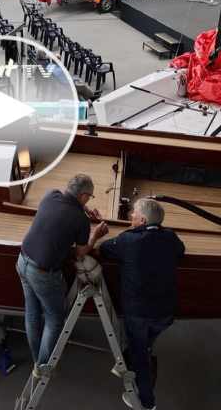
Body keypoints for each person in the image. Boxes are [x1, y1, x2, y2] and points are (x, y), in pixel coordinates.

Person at [98, 198, 185, 410]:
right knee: (143, 345)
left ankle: (147, 403)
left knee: (140, 356)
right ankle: (137, 356)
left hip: (139, 313)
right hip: (165, 314)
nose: (130, 216)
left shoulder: (129, 241)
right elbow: (180, 251)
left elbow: (104, 249)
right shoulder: (170, 237)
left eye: (134, 214)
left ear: (143, 220)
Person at [17, 174, 109, 374]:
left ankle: (37, 360)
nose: (89, 201)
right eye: (89, 197)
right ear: (84, 195)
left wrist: (84, 209)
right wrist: (95, 235)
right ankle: (41, 366)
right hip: (42, 273)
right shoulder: (80, 221)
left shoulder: (51, 195)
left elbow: (68, 202)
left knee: (32, 312)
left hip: (22, 260)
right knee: (55, 318)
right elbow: (79, 252)